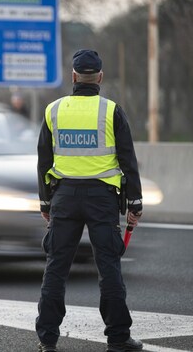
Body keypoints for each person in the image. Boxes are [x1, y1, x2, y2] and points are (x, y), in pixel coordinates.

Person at [35, 49, 144, 352]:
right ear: (99, 77)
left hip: (64, 198)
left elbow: (43, 162)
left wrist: (45, 203)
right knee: (108, 267)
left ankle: (47, 338)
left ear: (73, 77)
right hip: (102, 200)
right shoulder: (111, 111)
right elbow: (128, 160)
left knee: (56, 267)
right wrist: (135, 203)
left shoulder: (53, 110)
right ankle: (118, 338)